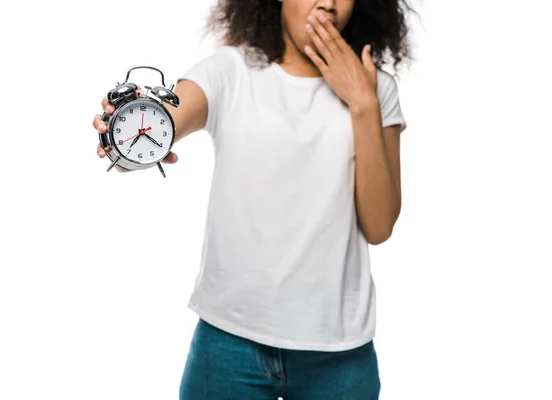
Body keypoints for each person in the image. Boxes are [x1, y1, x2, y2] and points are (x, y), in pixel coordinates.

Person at [92, 0, 414, 398]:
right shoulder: (231, 70)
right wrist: (130, 134)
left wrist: (362, 103)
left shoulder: (378, 89)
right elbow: (170, 117)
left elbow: (380, 226)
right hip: (229, 340)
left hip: (338, 350)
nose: (327, 3)